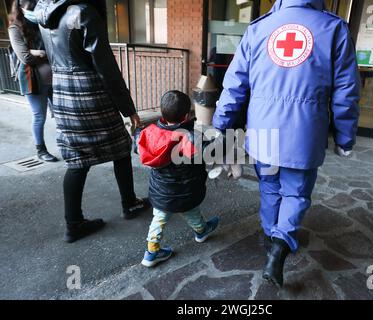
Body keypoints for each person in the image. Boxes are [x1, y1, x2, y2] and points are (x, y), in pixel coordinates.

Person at [213, 0, 360, 287]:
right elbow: (347, 91)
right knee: (296, 193)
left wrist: (221, 123)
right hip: (304, 133)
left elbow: (234, 83)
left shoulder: (259, 28)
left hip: (263, 131)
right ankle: (281, 242)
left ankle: (271, 234)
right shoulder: (333, 28)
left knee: (269, 185)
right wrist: (345, 137)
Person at [34, 0, 149, 243]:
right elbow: (105, 66)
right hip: (88, 90)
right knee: (120, 147)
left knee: (77, 158)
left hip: (62, 90)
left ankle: (73, 223)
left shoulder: (43, 12)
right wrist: (129, 109)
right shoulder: (83, 13)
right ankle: (129, 203)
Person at [137, 91, 220, 267]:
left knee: (159, 219)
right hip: (186, 191)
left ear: (162, 114)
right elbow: (210, 152)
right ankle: (202, 231)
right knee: (191, 211)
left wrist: (137, 131)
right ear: (186, 116)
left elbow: (137, 144)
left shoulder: (150, 133)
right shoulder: (191, 136)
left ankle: (151, 252)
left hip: (161, 192)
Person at [8, 0, 57, 162]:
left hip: (54, 78)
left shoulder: (43, 23)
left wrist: (39, 52)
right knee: (39, 116)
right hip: (32, 80)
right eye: (31, 6)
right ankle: (41, 150)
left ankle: (69, 144)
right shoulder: (15, 28)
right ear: (21, 6)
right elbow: (25, 57)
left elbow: (57, 50)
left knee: (61, 114)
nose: (35, 8)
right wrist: (39, 53)